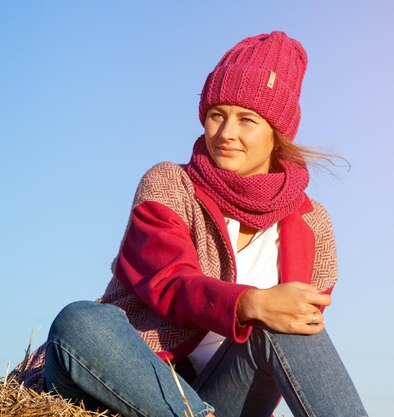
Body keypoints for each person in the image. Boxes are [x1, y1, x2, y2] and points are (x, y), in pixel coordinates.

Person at [12, 31, 368, 417]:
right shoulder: (169, 183)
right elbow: (170, 282)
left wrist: (270, 312)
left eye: (247, 120)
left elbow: (297, 336)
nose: (226, 133)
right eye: (217, 115)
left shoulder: (313, 225)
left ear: (277, 134)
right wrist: (252, 302)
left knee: (293, 325)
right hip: (126, 377)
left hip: (220, 396)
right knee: (80, 320)